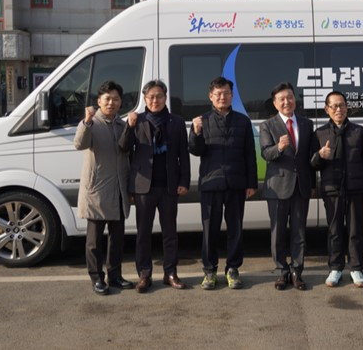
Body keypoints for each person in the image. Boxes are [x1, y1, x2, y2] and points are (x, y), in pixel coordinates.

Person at [119, 80, 190, 293]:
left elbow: (183, 155)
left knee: (170, 233)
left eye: (159, 96)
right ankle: (144, 274)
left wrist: (184, 181)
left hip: (169, 186)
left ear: (165, 98)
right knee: (143, 233)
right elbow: (123, 147)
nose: (155, 100)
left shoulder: (176, 122)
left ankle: (171, 273)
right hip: (143, 187)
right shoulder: (137, 120)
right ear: (144, 99)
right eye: (150, 97)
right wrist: (129, 126)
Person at [188, 77, 258, 290]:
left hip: (236, 183)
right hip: (211, 183)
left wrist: (251, 183)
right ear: (211, 96)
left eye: (226, 93)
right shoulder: (202, 121)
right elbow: (196, 150)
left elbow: (250, 155)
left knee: (235, 229)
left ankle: (233, 269)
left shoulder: (242, 121)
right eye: (218, 94)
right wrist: (196, 132)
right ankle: (210, 271)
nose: (222, 97)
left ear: (232, 95)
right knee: (210, 230)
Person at [73, 81, 133, 295]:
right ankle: (97, 278)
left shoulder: (123, 125)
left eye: (115, 99)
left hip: (118, 189)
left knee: (117, 239)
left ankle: (115, 276)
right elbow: (79, 144)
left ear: (120, 102)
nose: (111, 103)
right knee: (94, 241)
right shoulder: (91, 123)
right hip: (97, 190)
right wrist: (86, 121)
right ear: (99, 101)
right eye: (107, 99)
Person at [310, 91, 363, 288]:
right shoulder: (320, 133)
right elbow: (312, 164)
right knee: (334, 231)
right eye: (334, 106)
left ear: (347, 107)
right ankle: (335, 268)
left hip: (355, 189)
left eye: (342, 105)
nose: (339, 110)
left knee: (355, 231)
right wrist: (320, 155)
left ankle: (356, 268)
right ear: (327, 109)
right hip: (332, 190)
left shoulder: (359, 132)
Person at [260, 82, 314, 290]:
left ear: (295, 99)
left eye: (290, 97)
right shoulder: (267, 125)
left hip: (301, 186)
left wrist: (311, 183)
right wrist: (279, 147)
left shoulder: (306, 124)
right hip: (278, 186)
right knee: (278, 233)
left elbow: (309, 157)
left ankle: (297, 271)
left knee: (299, 232)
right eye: (281, 99)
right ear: (275, 103)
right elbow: (266, 153)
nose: (286, 102)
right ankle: (282, 271)